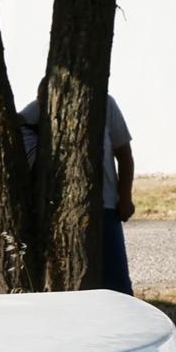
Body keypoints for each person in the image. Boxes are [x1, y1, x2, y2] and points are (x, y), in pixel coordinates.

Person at [18, 82, 136, 295]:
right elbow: (20, 124)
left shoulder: (105, 104)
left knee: (117, 284)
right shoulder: (34, 113)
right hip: (58, 213)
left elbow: (124, 154)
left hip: (105, 206)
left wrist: (125, 196)